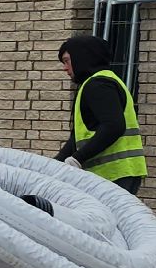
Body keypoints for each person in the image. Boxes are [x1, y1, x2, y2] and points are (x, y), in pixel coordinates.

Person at [54, 35, 147, 194]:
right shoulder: (97, 83)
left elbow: (113, 126)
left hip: (115, 174)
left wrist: (77, 158)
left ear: (81, 57)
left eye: (67, 61)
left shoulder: (98, 85)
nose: (65, 68)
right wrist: (55, 164)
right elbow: (77, 138)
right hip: (115, 174)